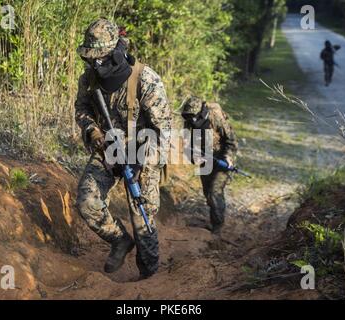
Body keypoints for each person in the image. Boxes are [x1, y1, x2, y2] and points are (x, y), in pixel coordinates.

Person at [74, 19, 171, 279]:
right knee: (87, 201)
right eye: (91, 59)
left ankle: (149, 278)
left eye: (100, 58)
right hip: (108, 150)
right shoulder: (89, 79)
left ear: (115, 52)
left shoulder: (146, 79)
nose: (95, 64)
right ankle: (119, 240)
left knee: (143, 217)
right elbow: (82, 110)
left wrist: (144, 162)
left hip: (143, 154)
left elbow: (164, 131)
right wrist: (92, 130)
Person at [181, 96, 238, 235]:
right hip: (206, 159)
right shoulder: (188, 122)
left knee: (214, 192)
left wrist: (228, 157)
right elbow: (188, 146)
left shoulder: (216, 117)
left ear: (201, 112)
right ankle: (215, 218)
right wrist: (194, 157)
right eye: (189, 117)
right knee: (208, 193)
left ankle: (217, 228)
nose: (193, 120)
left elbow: (231, 140)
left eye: (194, 116)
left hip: (222, 158)